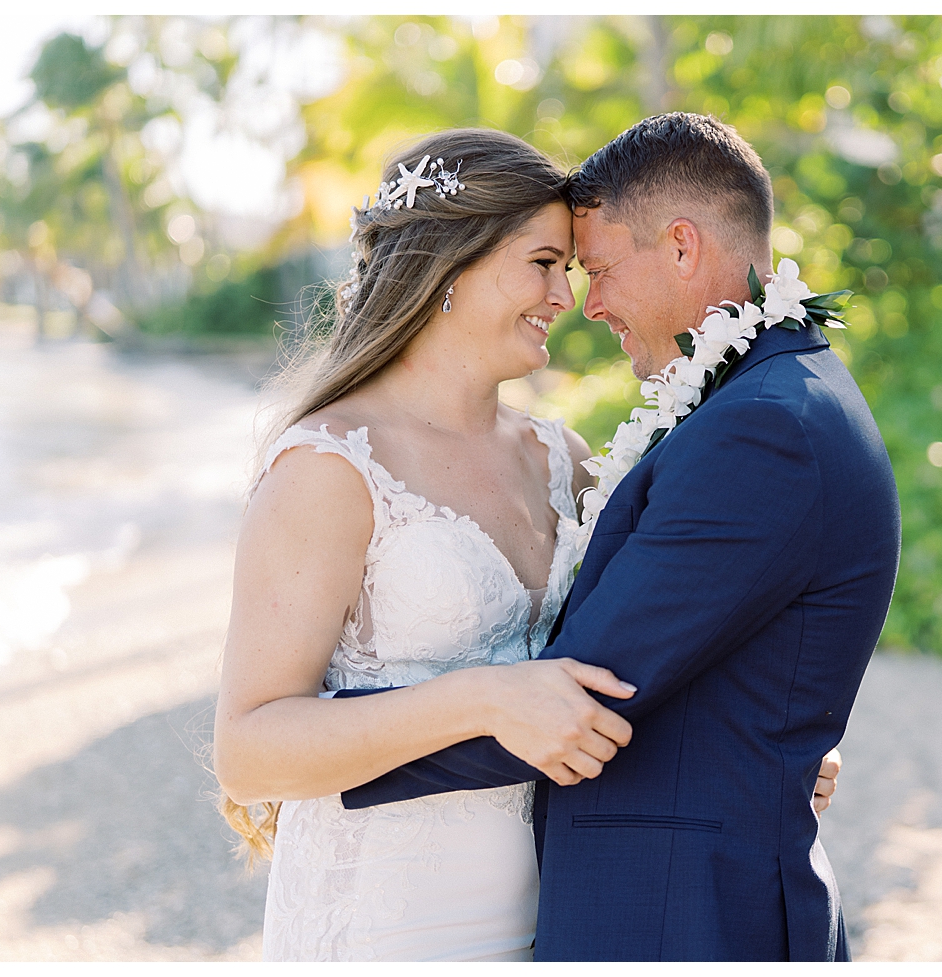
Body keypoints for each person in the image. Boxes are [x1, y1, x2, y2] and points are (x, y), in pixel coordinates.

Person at [212, 127, 842, 962]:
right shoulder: (329, 469)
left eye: (572, 270)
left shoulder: (563, 460)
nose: (565, 297)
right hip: (389, 921)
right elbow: (250, 751)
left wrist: (749, 745)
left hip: (559, 909)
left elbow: (619, 665)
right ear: (449, 267)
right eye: (543, 263)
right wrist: (483, 698)